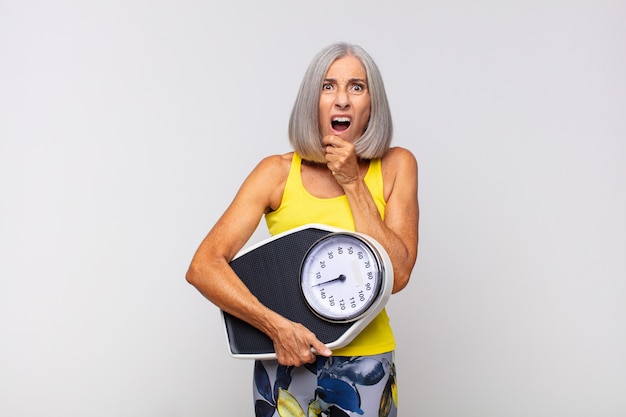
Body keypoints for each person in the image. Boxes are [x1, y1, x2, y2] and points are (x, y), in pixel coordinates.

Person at [186, 42, 419, 417]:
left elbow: (400, 273)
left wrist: (353, 183)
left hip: (366, 365)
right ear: (313, 100)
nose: (341, 99)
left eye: (356, 87)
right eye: (328, 86)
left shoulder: (396, 166)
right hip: (283, 362)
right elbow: (203, 267)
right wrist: (275, 327)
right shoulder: (275, 173)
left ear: (372, 104)